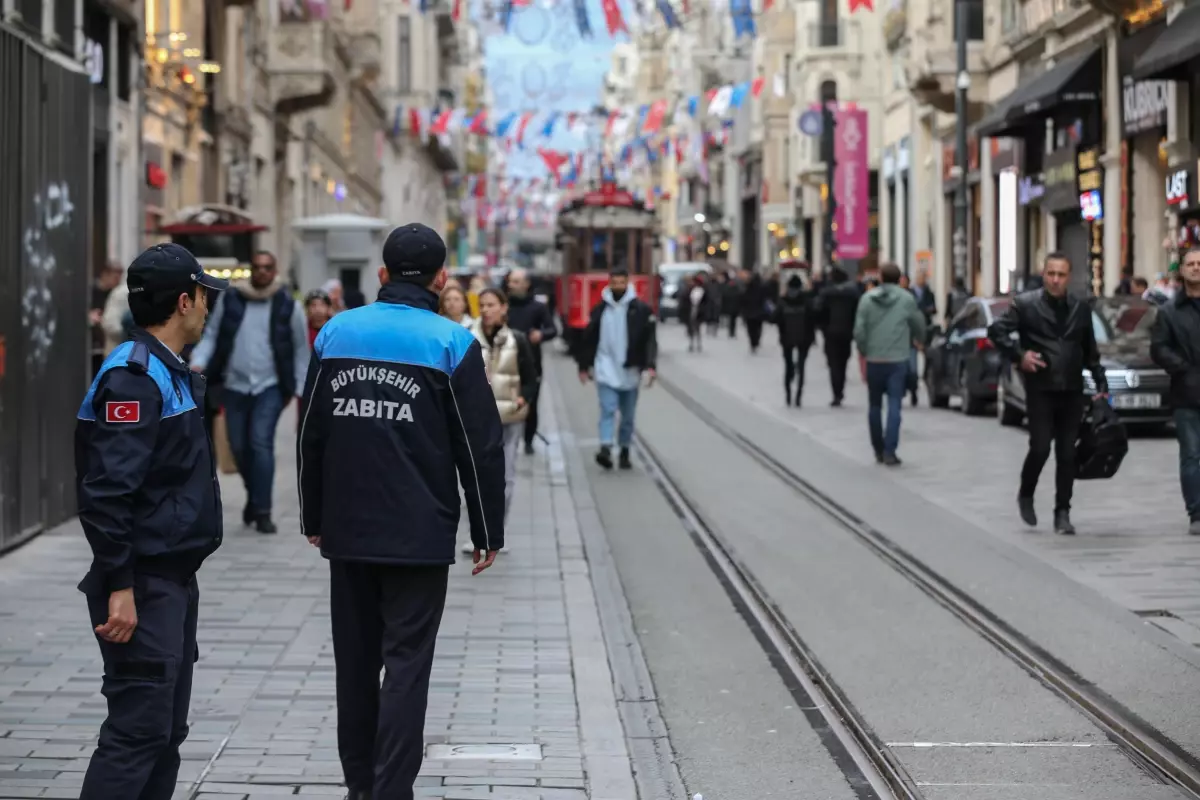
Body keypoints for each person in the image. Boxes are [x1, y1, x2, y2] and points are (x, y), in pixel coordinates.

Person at [298, 223, 505, 800]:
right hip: (419, 534)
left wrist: (314, 515)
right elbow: (479, 445)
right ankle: (391, 791)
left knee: (355, 667)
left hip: (349, 529)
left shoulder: (337, 333)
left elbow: (310, 433)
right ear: (442, 280)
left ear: (382, 274)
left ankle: (360, 786)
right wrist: (487, 529)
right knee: (408, 666)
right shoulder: (452, 344)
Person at [74, 243, 229, 799]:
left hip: (169, 580)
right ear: (184, 301)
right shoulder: (135, 379)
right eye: (204, 297)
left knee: (164, 732)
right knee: (137, 732)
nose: (208, 309)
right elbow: (108, 493)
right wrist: (120, 585)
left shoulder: (166, 370)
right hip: (143, 581)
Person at [189, 250, 310, 534]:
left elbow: (300, 348)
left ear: (275, 270)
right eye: (257, 267)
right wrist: (199, 362)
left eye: (267, 267)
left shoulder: (287, 305)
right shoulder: (232, 299)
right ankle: (254, 497)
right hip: (234, 385)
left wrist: (302, 387)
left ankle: (264, 511)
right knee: (239, 447)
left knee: (260, 443)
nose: (262, 272)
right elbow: (213, 334)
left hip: (270, 386)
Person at [988, 252, 1108, 535]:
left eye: (1061, 274)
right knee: (1040, 447)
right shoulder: (1026, 304)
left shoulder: (1080, 308)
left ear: (1069, 277)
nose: (1055, 279)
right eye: (1051, 273)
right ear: (1044, 275)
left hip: (1072, 390)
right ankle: (1026, 493)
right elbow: (996, 331)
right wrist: (1019, 356)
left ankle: (1062, 512)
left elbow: (1090, 352)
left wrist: (1101, 387)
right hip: (1040, 388)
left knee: (1067, 453)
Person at [576, 267, 658, 470]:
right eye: (615, 283)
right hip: (605, 367)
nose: (618, 287)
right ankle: (605, 447)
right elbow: (588, 339)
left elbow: (650, 341)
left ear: (627, 283)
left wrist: (650, 366)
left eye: (622, 283)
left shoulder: (641, 309)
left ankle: (624, 450)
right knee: (607, 409)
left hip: (630, 369)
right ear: (609, 283)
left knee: (628, 416)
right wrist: (584, 366)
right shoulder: (599, 309)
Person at [469, 288, 538, 523]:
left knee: (506, 477)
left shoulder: (516, 339)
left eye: (491, 305)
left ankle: (497, 529)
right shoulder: (468, 338)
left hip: (510, 417)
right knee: (477, 476)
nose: (486, 310)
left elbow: (531, 378)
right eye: (483, 305)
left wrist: (523, 398)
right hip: (478, 419)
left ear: (503, 307)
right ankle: (478, 532)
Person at [853, 263, 926, 466]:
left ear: (881, 278)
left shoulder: (866, 300)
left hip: (875, 360)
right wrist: (919, 339)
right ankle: (890, 451)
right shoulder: (906, 299)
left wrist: (865, 350)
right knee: (895, 405)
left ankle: (877, 448)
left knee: (874, 406)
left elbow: (859, 330)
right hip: (898, 359)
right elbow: (918, 324)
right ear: (899, 278)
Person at [1151, 246, 1200, 535]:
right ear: (1181, 270)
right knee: (1192, 454)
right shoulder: (1169, 312)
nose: (1196, 267)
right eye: (1191, 263)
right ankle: (1196, 512)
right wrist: (1182, 367)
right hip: (1186, 393)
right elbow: (1158, 348)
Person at [503, 268, 558, 454]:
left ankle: (528, 440)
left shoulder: (537, 307)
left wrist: (541, 334)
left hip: (532, 362)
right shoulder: (502, 306)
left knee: (531, 403)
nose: (512, 285)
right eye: (511, 281)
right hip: (505, 362)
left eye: (517, 282)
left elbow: (552, 330)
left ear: (526, 285)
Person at [815, 266, 861, 406]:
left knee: (833, 363)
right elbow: (857, 312)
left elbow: (819, 311)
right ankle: (840, 389)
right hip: (846, 332)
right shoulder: (853, 294)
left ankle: (836, 393)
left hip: (830, 333)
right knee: (843, 362)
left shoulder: (826, 293)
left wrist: (822, 327)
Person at [773, 273, 817, 407]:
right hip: (804, 338)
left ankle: (788, 395)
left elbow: (775, 318)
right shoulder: (806, 300)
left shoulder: (783, 300)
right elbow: (813, 318)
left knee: (787, 365)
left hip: (786, 337)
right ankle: (798, 395)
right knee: (802, 366)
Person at [677, 273, 714, 352]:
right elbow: (683, 301)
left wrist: (704, 310)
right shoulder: (688, 290)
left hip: (699, 311)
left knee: (697, 327)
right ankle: (692, 343)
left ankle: (698, 343)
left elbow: (707, 302)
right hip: (690, 311)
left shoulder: (704, 291)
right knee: (690, 328)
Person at [739, 269, 770, 353]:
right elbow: (765, 298)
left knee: (751, 329)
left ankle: (753, 342)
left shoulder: (748, 288)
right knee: (758, 328)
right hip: (759, 311)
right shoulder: (762, 288)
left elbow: (743, 299)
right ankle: (756, 341)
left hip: (749, 312)